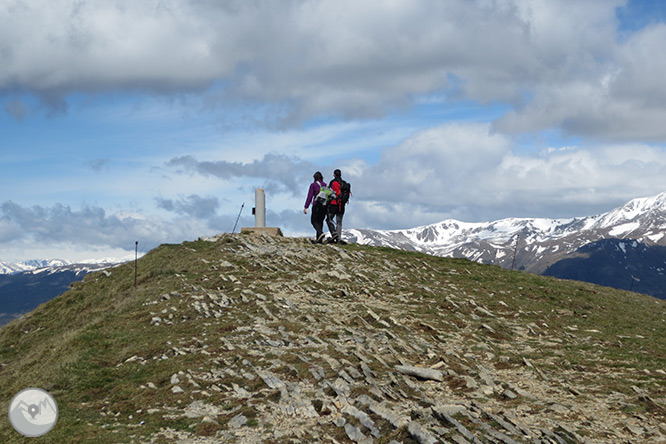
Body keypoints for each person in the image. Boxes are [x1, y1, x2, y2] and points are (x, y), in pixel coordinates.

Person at [304, 171, 327, 243]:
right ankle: (319, 240)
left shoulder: (313, 185)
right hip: (324, 205)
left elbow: (310, 196)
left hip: (316, 204)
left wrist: (306, 207)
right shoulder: (325, 185)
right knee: (320, 221)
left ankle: (320, 233)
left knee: (313, 221)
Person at [325, 169, 348, 244]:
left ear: (334, 174)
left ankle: (334, 233)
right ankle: (338, 239)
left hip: (333, 204)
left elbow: (329, 193)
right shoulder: (344, 183)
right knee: (339, 222)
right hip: (342, 205)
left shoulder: (332, 182)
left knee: (329, 219)